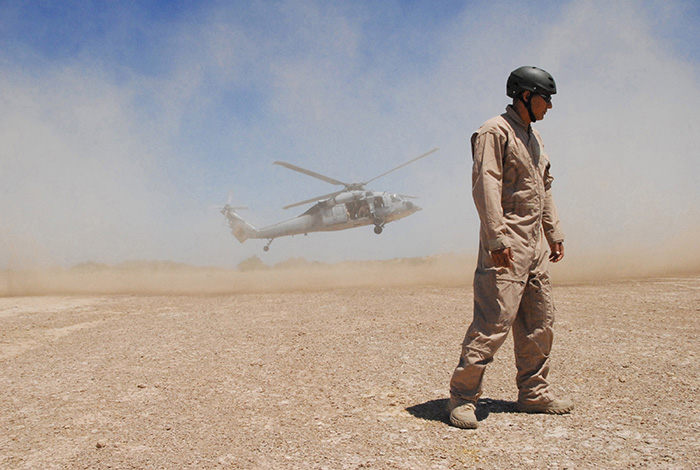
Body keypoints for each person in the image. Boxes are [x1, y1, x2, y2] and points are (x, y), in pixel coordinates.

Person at [447, 66, 573, 429]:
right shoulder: (494, 131)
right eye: (545, 99)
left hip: (533, 245)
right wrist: (496, 238)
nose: (549, 106)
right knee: (493, 322)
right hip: (506, 243)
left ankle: (534, 392)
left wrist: (555, 233)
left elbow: (543, 188)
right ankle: (462, 398)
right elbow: (485, 184)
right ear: (524, 96)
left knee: (540, 320)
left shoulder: (534, 139)